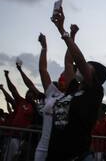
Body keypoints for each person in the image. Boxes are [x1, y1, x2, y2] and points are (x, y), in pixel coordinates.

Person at [46, 5, 106, 161]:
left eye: (89, 66)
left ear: (95, 76)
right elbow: (69, 62)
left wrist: (64, 32)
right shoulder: (73, 88)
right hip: (55, 153)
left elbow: (78, 60)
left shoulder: (95, 92)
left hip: (76, 155)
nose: (82, 66)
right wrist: (66, 32)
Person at [34, 25, 79, 161]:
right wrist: (44, 48)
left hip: (62, 148)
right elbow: (43, 70)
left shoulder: (71, 95)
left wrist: (72, 36)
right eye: (60, 76)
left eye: (65, 76)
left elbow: (68, 62)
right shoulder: (52, 92)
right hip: (43, 146)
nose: (61, 77)